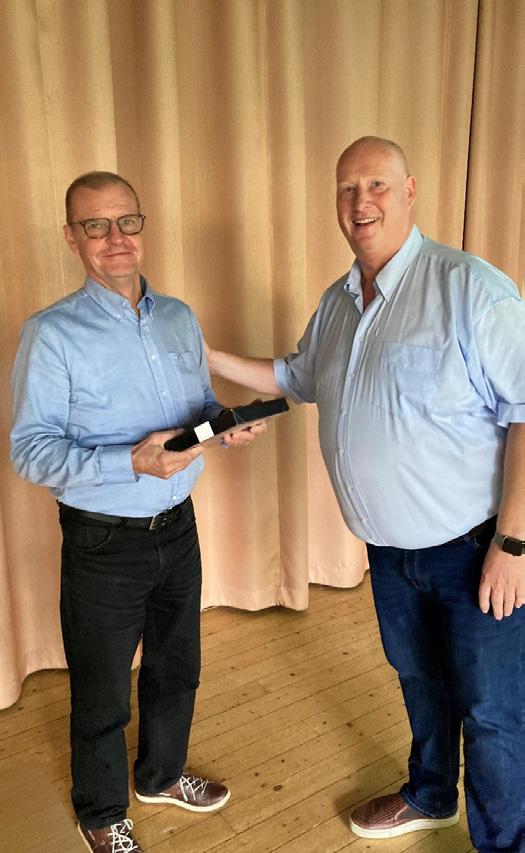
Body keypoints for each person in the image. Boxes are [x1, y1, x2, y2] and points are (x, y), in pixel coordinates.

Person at [205, 137, 525, 853]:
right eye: (347, 188)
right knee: (418, 678)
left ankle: (506, 843)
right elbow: (295, 378)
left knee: (494, 711)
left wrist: (513, 542)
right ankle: (430, 794)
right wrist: (204, 356)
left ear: (408, 191)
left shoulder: (469, 288)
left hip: (478, 550)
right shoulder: (338, 301)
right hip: (387, 551)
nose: (361, 202)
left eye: (376, 184)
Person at [10, 171, 266, 853]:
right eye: (95, 225)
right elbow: (30, 451)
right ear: (72, 238)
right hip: (102, 543)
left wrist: (223, 422)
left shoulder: (179, 316)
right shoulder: (51, 333)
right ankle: (100, 812)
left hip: (178, 527)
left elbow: (196, 406)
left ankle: (161, 775)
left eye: (126, 221)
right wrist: (130, 461)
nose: (115, 238)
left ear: (142, 227)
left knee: (176, 667)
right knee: (102, 691)